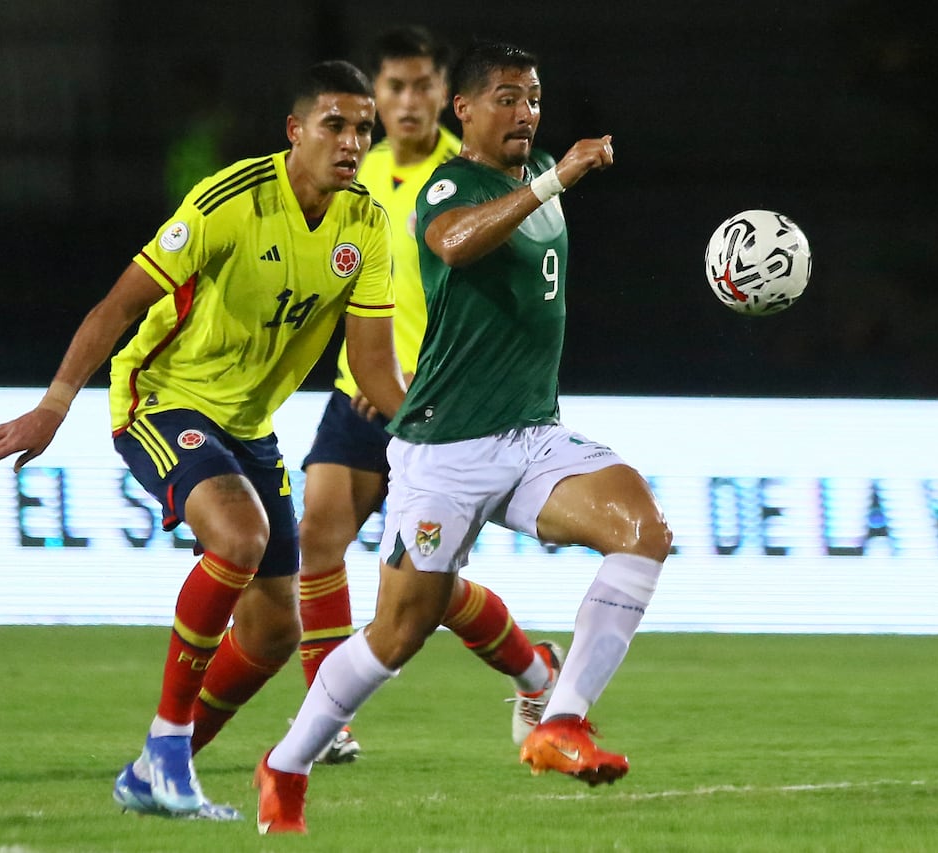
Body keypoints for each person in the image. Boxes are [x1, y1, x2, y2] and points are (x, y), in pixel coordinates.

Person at [254, 41, 673, 835]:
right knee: (398, 632)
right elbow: (451, 242)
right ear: (467, 112)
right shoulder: (455, 183)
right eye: (509, 98)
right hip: (447, 447)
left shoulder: (537, 168)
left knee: (643, 531)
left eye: (536, 97)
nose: (526, 113)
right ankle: (285, 763)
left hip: (533, 436)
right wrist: (555, 179)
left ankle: (562, 720)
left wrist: (547, 173)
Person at [0, 60, 405, 821]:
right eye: (335, 124)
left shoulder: (365, 222)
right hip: (160, 397)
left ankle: (155, 771)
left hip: (248, 426)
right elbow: (115, 307)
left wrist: (434, 433)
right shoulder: (230, 200)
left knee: (274, 631)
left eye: (363, 128)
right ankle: (167, 749)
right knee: (240, 534)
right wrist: (53, 406)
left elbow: (373, 364)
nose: (352, 141)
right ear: (295, 131)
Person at [289, 25, 564, 766]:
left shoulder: (477, 169)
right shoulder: (356, 169)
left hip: (442, 407)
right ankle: (329, 716)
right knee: (316, 537)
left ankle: (536, 671)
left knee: (426, 594)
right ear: (376, 97)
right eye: (394, 88)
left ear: (450, 96)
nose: (409, 102)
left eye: (422, 86)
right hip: (362, 393)